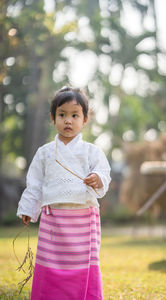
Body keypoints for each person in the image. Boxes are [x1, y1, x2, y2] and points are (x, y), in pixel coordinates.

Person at [17, 86, 111, 300]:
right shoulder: (45, 153)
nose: (68, 121)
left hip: (83, 219)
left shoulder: (92, 151)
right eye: (62, 115)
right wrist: (29, 209)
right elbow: (35, 184)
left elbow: (104, 173)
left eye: (75, 115)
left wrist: (97, 178)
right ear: (53, 118)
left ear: (84, 119)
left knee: (83, 263)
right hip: (54, 221)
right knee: (51, 263)